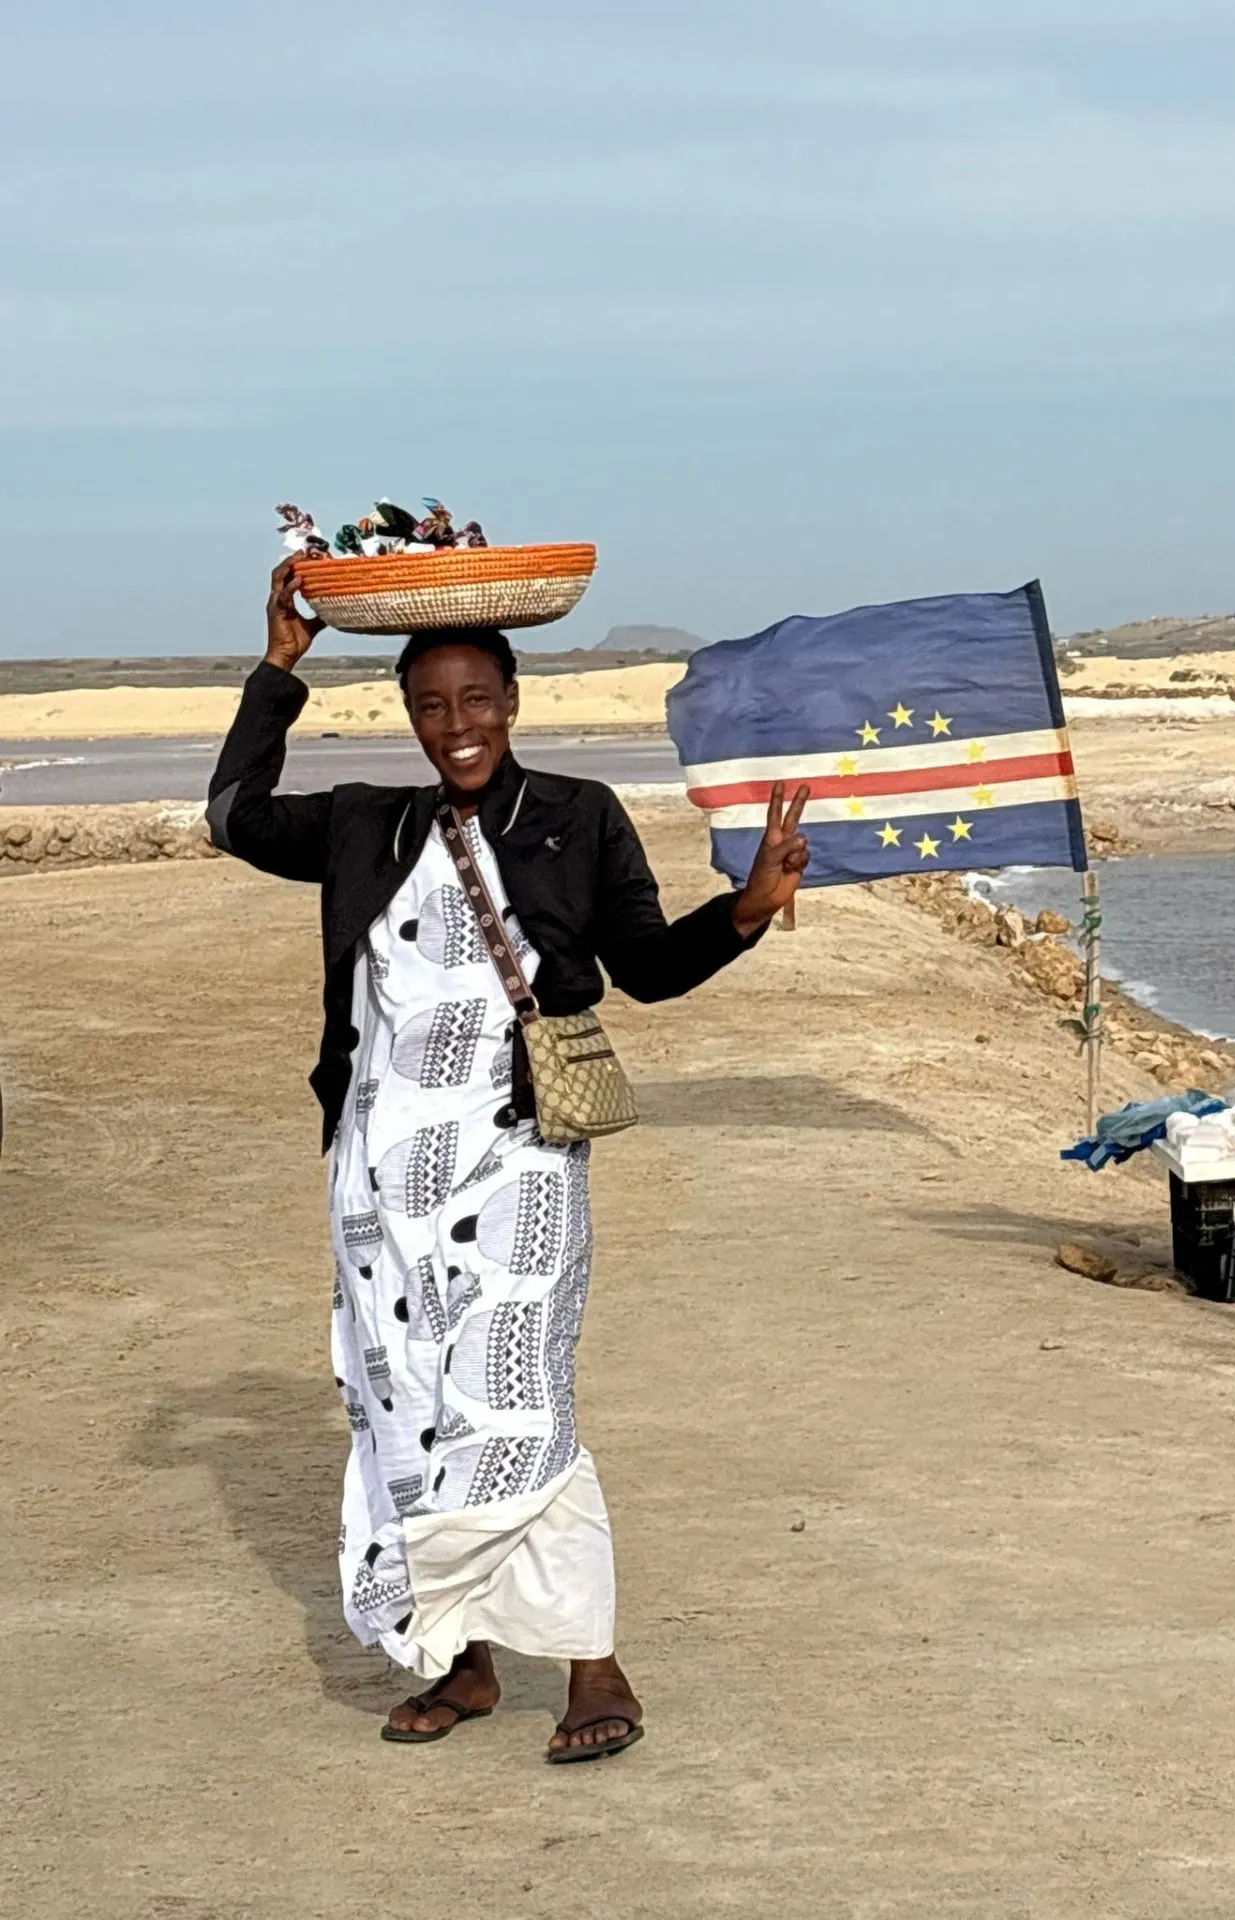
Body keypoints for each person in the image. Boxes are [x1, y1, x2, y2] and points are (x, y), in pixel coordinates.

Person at [206, 559, 810, 1762]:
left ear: (512, 701)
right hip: (375, 1185)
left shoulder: (577, 815)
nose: (456, 726)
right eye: (431, 706)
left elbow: (645, 966)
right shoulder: (365, 823)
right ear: (409, 716)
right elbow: (233, 819)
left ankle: (594, 1664)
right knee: (406, 1411)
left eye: (477, 699)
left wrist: (740, 914)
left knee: (518, 1404)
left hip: (519, 1164)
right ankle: (461, 1661)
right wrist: (279, 668)